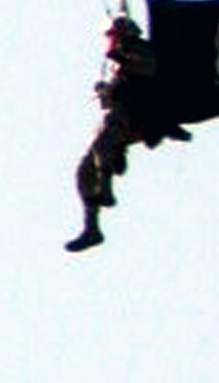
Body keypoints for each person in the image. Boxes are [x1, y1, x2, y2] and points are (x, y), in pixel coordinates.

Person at [65, 14, 192, 253]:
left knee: (103, 144)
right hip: (120, 114)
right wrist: (105, 90)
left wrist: (121, 56)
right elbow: (113, 94)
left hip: (134, 114)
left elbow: (146, 69)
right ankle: (92, 227)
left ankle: (105, 187)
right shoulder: (118, 62)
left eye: (112, 37)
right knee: (84, 171)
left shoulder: (140, 50)